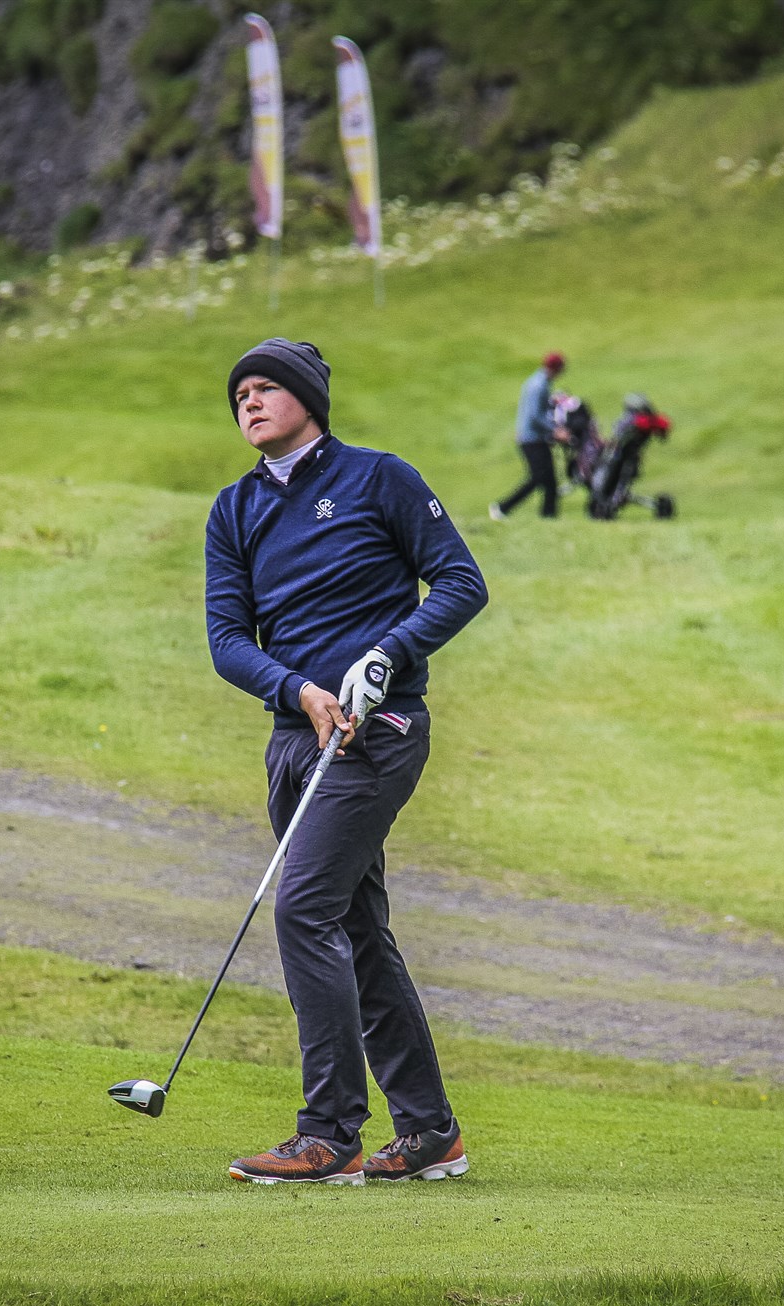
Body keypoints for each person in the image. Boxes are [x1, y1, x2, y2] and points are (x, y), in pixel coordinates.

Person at [206, 337, 488, 1184]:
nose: (249, 402)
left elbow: (461, 582)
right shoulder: (234, 508)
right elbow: (227, 640)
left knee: (304, 908)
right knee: (356, 928)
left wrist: (386, 654)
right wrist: (299, 690)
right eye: (239, 394)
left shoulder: (379, 478)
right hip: (296, 740)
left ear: (307, 399)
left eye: (265, 388)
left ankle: (328, 1132)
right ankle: (431, 1132)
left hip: (378, 730)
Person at [490, 351, 566, 520]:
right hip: (532, 438)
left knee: (549, 480)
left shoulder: (541, 382)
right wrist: (554, 431)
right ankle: (502, 507)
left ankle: (549, 516)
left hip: (536, 438)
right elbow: (535, 415)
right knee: (539, 478)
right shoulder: (538, 385)